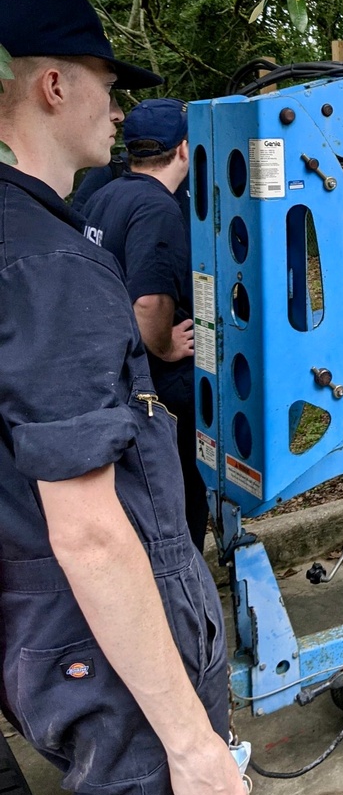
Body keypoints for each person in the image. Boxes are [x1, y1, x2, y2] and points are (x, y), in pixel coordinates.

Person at [0, 0, 281, 795]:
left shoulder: (43, 230)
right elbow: (85, 527)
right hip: (110, 658)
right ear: (51, 85)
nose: (115, 107)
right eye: (103, 81)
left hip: (57, 641)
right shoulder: (49, 266)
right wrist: (191, 741)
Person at [83, 98, 206, 548]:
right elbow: (150, 301)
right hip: (155, 384)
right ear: (184, 150)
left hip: (111, 375)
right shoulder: (159, 208)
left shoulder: (105, 196)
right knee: (181, 492)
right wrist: (165, 346)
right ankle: (183, 592)